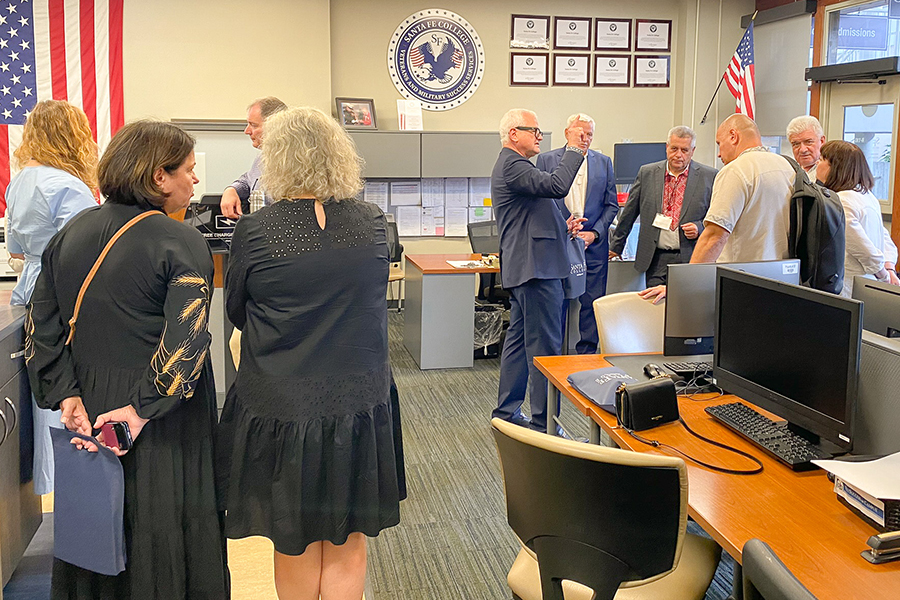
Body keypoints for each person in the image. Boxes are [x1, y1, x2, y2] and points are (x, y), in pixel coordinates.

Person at [25, 120, 229, 598]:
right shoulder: (180, 241)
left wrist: (64, 394)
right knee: (163, 526)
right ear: (159, 176)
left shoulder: (72, 232)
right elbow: (186, 343)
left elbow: (42, 323)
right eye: (189, 170)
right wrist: (140, 410)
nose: (195, 181)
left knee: (93, 529)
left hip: (88, 401)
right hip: (160, 415)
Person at [217, 106, 405, 600]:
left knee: (294, 539)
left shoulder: (255, 232)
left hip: (284, 403)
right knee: (347, 537)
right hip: (359, 401)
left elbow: (237, 312)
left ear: (276, 159)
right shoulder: (372, 221)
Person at [4, 100, 98, 497]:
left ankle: (51, 481)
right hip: (63, 293)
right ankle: (74, 484)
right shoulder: (67, 185)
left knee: (44, 386)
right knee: (68, 392)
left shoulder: (20, 180)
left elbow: (16, 247)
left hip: (30, 289)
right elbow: (84, 249)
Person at [491, 108, 587, 434]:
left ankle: (506, 412)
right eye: (534, 130)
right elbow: (558, 185)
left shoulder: (516, 167)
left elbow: (533, 217)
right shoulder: (512, 164)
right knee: (545, 350)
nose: (540, 136)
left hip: (530, 269)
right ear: (513, 133)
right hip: (537, 272)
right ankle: (545, 425)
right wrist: (575, 148)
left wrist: (564, 226)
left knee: (519, 344)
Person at [536, 113, 619, 354]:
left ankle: (587, 356)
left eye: (589, 135)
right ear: (567, 134)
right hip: (559, 245)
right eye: (580, 134)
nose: (585, 139)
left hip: (592, 247)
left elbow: (611, 205)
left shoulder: (604, 162)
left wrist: (594, 233)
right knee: (556, 303)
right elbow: (542, 203)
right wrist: (564, 227)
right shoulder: (547, 160)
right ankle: (554, 356)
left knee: (592, 304)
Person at [609, 126, 717, 286]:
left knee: (685, 307)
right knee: (655, 305)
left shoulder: (709, 176)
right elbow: (629, 213)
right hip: (655, 258)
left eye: (684, 150)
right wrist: (617, 246)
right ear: (667, 148)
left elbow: (715, 216)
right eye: (674, 148)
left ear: (692, 151)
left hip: (690, 257)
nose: (678, 155)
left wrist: (699, 227)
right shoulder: (647, 173)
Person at [818, 140, 900, 297]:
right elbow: (883, 236)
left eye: (822, 159)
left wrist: (883, 274)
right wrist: (888, 268)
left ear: (836, 168)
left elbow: (860, 246)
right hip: (868, 281)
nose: (817, 163)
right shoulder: (867, 196)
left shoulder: (842, 200)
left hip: (850, 285)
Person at [219, 96, 287, 219]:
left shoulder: (297, 163)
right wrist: (232, 190)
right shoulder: (262, 156)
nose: (247, 131)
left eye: (253, 125)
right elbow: (247, 180)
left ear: (275, 127)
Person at [787, 115, 825, 182]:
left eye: (808, 142)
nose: (802, 150)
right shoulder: (788, 172)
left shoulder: (832, 173)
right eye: (796, 144)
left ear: (822, 141)